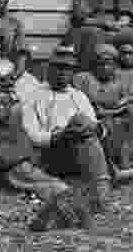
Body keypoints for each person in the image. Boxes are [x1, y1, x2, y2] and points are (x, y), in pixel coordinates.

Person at [20, 46, 113, 213]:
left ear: (72, 73)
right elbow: (32, 135)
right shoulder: (34, 95)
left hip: (80, 149)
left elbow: (96, 127)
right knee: (80, 126)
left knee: (83, 125)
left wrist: (96, 128)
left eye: (67, 69)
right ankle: (101, 192)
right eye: (58, 68)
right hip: (50, 154)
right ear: (48, 70)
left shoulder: (78, 96)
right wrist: (61, 135)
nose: (62, 73)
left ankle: (100, 192)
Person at [0, 88, 84, 206]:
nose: (0, 108)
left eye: (4, 104)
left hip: (23, 169)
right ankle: (62, 197)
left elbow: (27, 152)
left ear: (11, 106)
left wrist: (7, 156)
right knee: (47, 187)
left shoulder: (17, 128)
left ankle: (67, 197)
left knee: (50, 183)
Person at [73, 44, 133, 170]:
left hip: (113, 121)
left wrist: (117, 110)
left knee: (119, 124)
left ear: (114, 66)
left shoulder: (118, 84)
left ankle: (118, 162)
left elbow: (125, 105)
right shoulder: (84, 79)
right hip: (89, 120)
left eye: (109, 64)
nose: (105, 67)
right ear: (94, 64)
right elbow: (81, 104)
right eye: (100, 63)